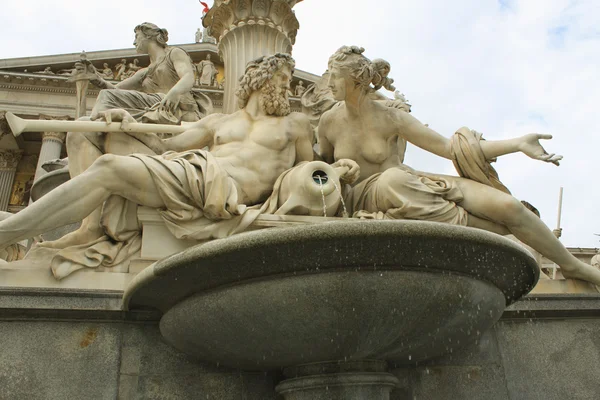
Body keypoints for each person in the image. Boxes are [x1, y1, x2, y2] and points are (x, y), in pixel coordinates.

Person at [0, 53, 317, 278]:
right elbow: (164, 147)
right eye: (283, 80)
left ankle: (8, 233)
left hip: (223, 189)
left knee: (110, 167)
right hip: (193, 170)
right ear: (259, 80)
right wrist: (122, 123)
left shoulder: (296, 124)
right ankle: (88, 229)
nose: (287, 88)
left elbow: (309, 174)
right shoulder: (218, 121)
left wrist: (337, 172)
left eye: (289, 82)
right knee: (86, 129)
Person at [317, 45, 600, 286]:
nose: (328, 82)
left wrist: (517, 144)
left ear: (356, 80)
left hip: (410, 186)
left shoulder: (391, 117)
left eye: (334, 76)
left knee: (509, 207)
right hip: (369, 195)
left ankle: (572, 265)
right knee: (393, 179)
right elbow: (320, 169)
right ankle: (487, 228)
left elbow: (450, 148)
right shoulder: (329, 122)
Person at [52, 22, 212, 250]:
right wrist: (95, 78)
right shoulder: (145, 71)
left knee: (106, 104)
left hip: (174, 108)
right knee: (108, 97)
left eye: (137, 36)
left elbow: (188, 78)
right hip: (153, 109)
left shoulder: (174, 53)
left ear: (151, 36)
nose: (134, 41)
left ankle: (95, 131)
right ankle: (94, 132)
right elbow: (116, 91)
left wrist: (174, 92)